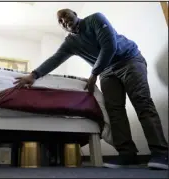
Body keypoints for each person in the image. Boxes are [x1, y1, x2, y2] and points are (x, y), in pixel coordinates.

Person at [13, 9, 168, 170]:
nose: (64, 21)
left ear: (74, 13)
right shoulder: (70, 43)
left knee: (142, 103)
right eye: (60, 21)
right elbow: (55, 59)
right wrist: (33, 75)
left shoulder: (95, 19)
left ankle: (161, 152)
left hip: (128, 60)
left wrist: (94, 74)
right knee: (114, 111)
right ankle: (127, 154)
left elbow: (110, 46)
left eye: (65, 15)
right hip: (106, 71)